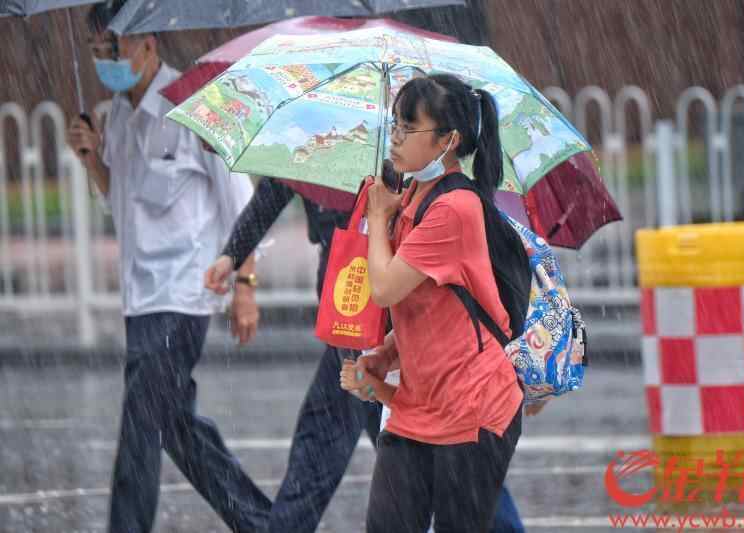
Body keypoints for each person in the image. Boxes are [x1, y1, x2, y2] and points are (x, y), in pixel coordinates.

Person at [205, 174, 526, 532]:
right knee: (326, 444)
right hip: (350, 318)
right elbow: (274, 189)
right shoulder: (316, 152)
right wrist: (233, 255)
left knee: (440, 453)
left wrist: (380, 215)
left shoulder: (407, 166)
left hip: (393, 328)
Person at [66, 3, 271, 532]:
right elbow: (122, 203)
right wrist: (92, 159)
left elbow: (241, 203)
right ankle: (264, 524)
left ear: (148, 45)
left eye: (113, 49)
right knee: (174, 425)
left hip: (184, 294)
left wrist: (246, 286)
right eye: (96, 51)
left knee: (140, 426)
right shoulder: (115, 116)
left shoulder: (196, 105)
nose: (105, 61)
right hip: (140, 297)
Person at [344, 73, 525, 533]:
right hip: (417, 406)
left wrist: (378, 219)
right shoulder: (412, 196)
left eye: (409, 128)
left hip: (473, 407)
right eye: (395, 125)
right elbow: (429, 307)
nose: (396, 137)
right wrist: (384, 355)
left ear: (448, 141)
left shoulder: (454, 208)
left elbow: (385, 289)